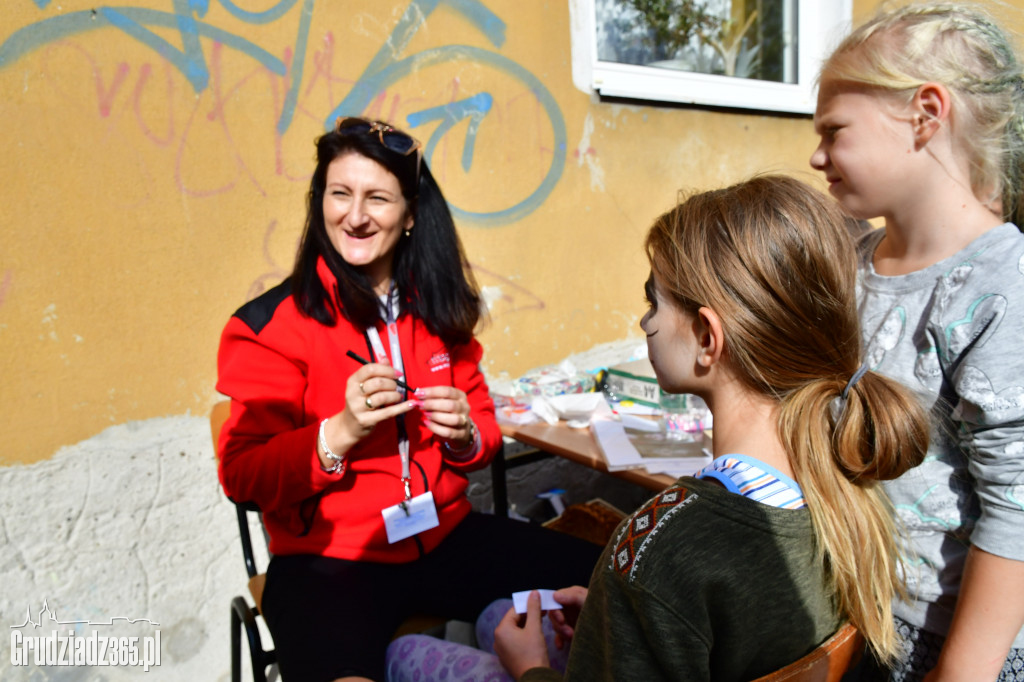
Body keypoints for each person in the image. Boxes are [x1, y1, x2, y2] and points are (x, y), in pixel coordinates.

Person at [385, 175, 930, 682]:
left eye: (654, 301)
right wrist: (616, 614)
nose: (645, 322)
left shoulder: (659, 547)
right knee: (499, 614)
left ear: (707, 338)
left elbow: (672, 584)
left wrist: (532, 668)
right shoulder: (851, 487)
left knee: (405, 652)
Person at [216, 117, 602, 682]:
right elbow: (242, 475)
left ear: (413, 213)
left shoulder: (440, 309)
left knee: (616, 580)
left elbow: (485, 436)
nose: (354, 215)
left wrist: (465, 435)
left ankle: (500, 636)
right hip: (330, 560)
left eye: (377, 197)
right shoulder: (266, 327)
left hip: (445, 534)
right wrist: (338, 432)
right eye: (339, 194)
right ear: (319, 201)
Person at [809, 4, 1024, 680]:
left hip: (948, 645)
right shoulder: (853, 263)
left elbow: (1017, 505)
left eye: (834, 131)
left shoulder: (1000, 288)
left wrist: (963, 671)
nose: (816, 155)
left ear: (926, 115)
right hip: (858, 616)